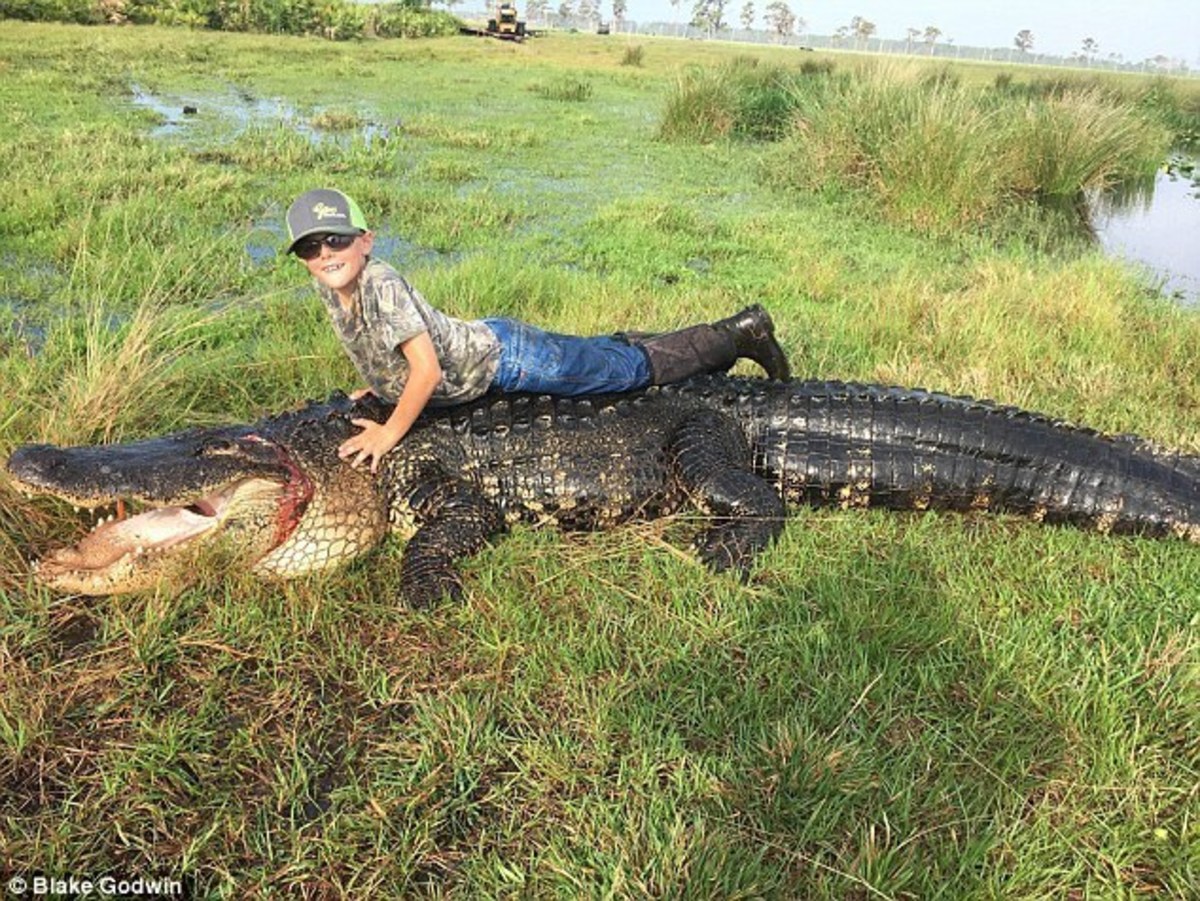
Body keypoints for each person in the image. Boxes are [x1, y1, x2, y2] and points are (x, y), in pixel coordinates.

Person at [285, 188, 791, 471]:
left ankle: (739, 333)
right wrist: (379, 385)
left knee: (627, 373)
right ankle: (655, 340)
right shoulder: (331, 286)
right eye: (310, 248)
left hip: (508, 359)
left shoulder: (381, 284)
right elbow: (379, 346)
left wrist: (390, 432)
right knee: (602, 358)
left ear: (366, 240)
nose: (325, 254)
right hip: (490, 347)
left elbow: (427, 370)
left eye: (335, 239)